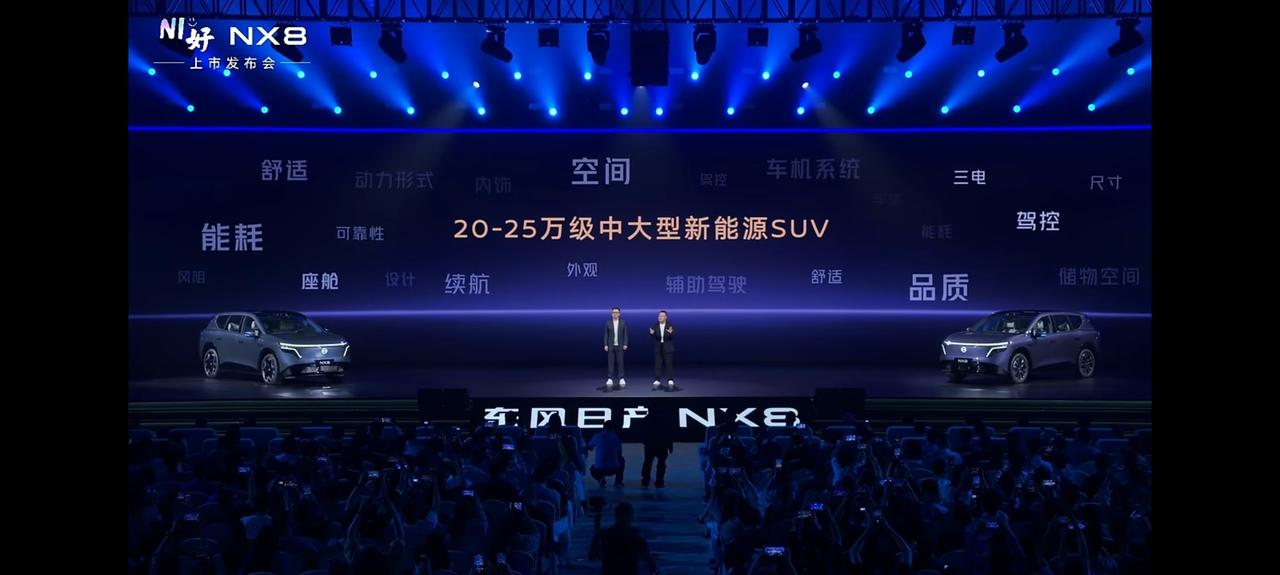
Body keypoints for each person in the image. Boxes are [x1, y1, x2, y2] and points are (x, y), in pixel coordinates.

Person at [589, 502, 658, 575]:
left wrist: (596, 539)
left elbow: (592, 557)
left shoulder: (604, 534)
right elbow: (650, 562)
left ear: (616, 516)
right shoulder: (636, 535)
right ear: (632, 517)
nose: (623, 519)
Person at [638, 408, 674, 488]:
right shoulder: (665, 420)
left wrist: (645, 442)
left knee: (648, 462)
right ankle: (659, 481)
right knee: (661, 463)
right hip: (662, 445)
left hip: (650, 445)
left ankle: (645, 480)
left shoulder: (646, 419)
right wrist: (670, 446)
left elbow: (642, 432)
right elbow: (669, 433)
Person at [588, 420, 626, 488]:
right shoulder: (616, 438)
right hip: (614, 468)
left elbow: (590, 447)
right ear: (613, 428)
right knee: (622, 460)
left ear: (603, 427)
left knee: (592, 469)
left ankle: (600, 479)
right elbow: (619, 455)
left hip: (599, 469)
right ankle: (618, 481)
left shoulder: (597, 436)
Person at [649, 310, 676, 391]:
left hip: (667, 348)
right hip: (658, 348)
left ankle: (670, 379)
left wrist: (671, 333)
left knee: (669, 364)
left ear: (666, 317)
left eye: (662, 316)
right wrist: (652, 333)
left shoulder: (670, 326)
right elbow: (653, 336)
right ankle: (657, 379)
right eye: (659, 316)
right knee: (657, 364)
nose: (660, 317)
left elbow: (673, 337)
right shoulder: (655, 326)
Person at [604, 306, 629, 391]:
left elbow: (625, 334)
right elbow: (606, 334)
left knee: (620, 362)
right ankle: (610, 378)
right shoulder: (608, 323)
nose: (615, 314)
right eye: (613, 312)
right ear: (611, 314)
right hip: (611, 345)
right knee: (610, 362)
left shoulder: (623, 322)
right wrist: (605, 344)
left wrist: (625, 344)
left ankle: (621, 378)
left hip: (620, 345)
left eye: (616, 312)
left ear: (619, 314)